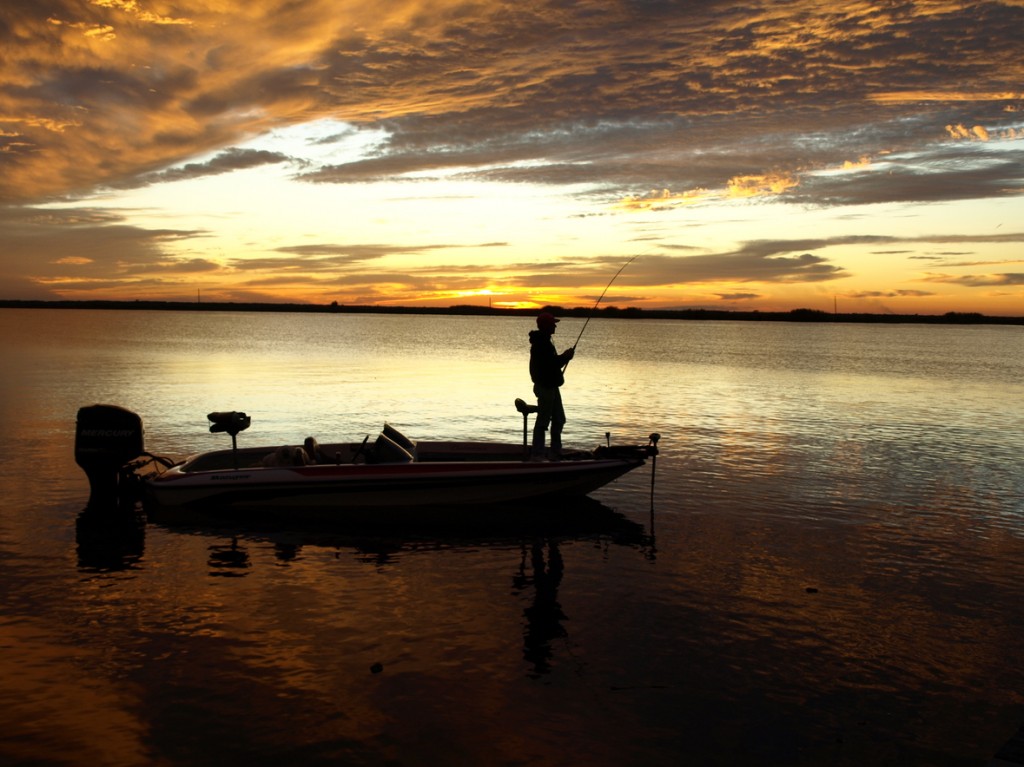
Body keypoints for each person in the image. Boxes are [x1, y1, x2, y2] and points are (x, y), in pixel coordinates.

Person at [528, 312, 575, 460]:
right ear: (545, 326)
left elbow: (552, 363)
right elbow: (551, 364)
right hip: (545, 387)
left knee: (559, 419)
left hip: (552, 386)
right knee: (543, 421)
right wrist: (565, 357)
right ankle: (538, 453)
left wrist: (564, 357)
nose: (555, 325)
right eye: (552, 323)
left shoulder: (545, 342)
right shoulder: (541, 344)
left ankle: (555, 451)